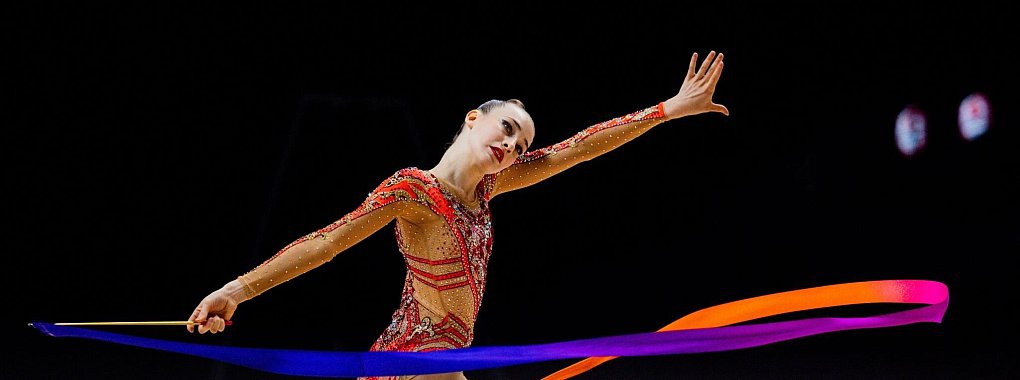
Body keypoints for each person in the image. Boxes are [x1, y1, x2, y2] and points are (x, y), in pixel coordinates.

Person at [186, 51, 729, 380]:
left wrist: (667, 110)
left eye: (522, 144)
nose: (514, 146)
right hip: (411, 361)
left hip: (437, 364)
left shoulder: (490, 189)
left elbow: (580, 148)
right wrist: (237, 290)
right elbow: (328, 242)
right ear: (473, 119)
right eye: (508, 128)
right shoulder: (415, 191)